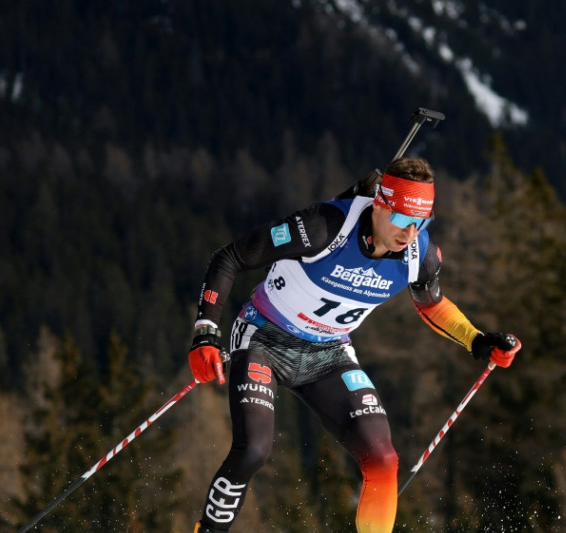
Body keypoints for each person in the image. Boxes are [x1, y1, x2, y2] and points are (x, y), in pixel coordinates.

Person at [188, 157, 521, 533]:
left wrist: (477, 340)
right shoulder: (324, 227)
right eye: (399, 219)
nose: (409, 233)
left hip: (329, 353)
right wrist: (205, 333)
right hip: (265, 338)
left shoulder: (419, 253)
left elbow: (433, 304)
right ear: (379, 203)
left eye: (420, 222)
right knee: (253, 451)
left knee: (383, 460)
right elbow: (229, 257)